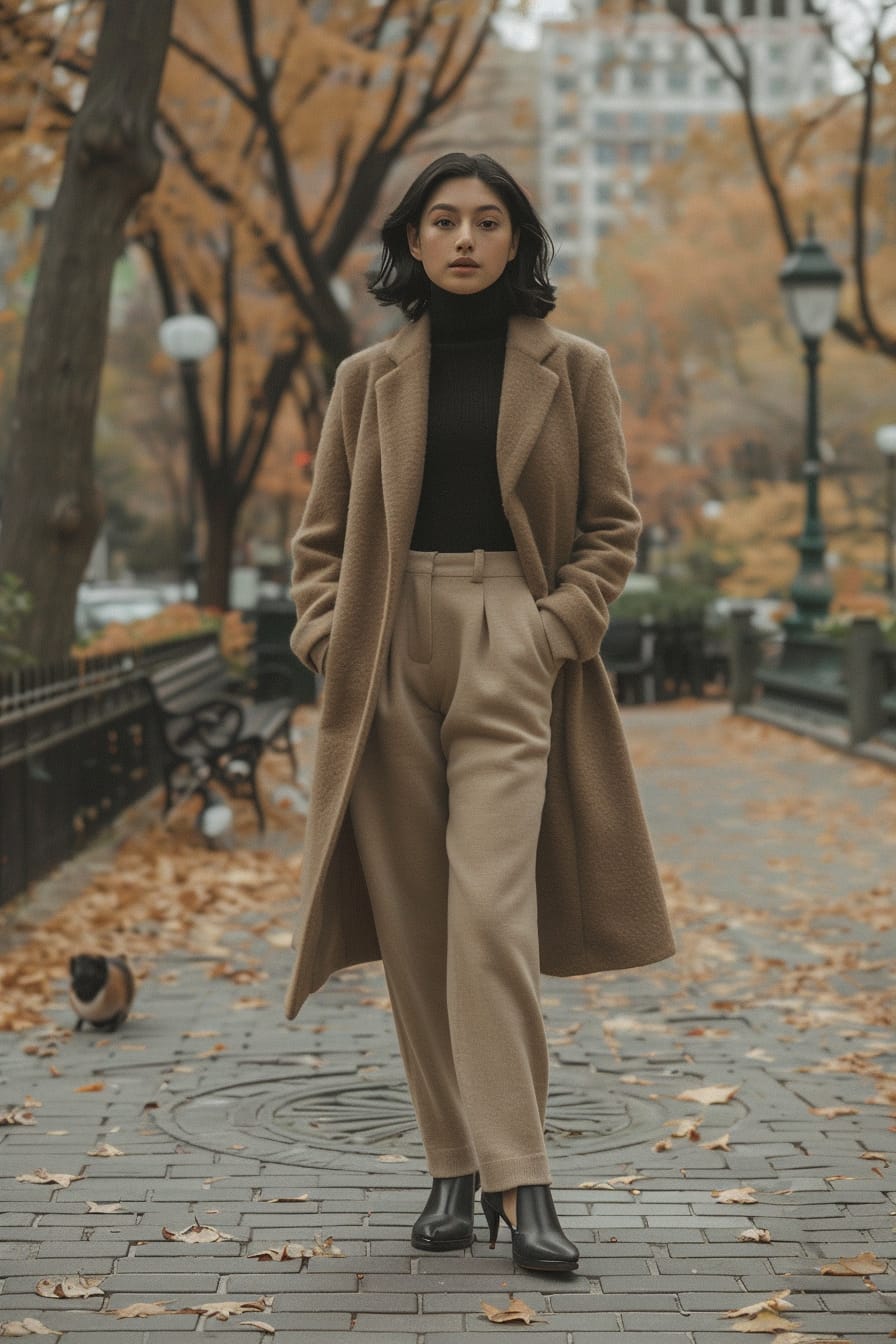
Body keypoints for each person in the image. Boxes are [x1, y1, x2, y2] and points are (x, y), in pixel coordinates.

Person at [282, 152, 675, 1274]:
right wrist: (327, 634)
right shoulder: (366, 379)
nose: (463, 239)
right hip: (387, 641)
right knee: (414, 923)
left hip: (512, 633)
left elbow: (611, 526)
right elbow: (318, 543)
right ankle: (451, 1164)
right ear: (411, 241)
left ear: (517, 241)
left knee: (490, 917)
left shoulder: (572, 367)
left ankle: (522, 1178)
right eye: (442, 221)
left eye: (487, 221)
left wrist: (550, 631)